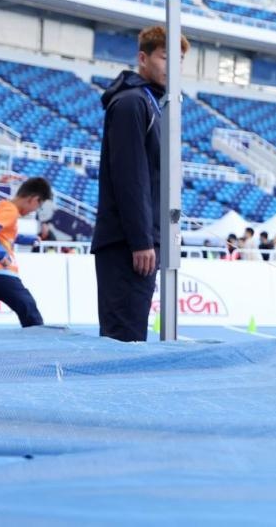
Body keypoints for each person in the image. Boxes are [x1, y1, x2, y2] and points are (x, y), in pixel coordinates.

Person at [92, 25, 188, 342]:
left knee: (131, 336)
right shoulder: (133, 104)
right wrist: (141, 241)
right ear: (143, 58)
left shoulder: (153, 105)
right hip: (128, 245)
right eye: (165, 57)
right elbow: (130, 178)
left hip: (140, 241)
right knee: (124, 339)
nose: (173, 67)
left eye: (179, 60)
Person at [0, 177, 52, 327]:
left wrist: (27, 239)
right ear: (34, 199)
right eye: (38, 206)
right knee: (30, 311)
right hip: (1, 273)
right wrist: (0, 255)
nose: (35, 210)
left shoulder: (4, 208)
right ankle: (39, 342)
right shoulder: (10, 210)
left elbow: (5, 236)